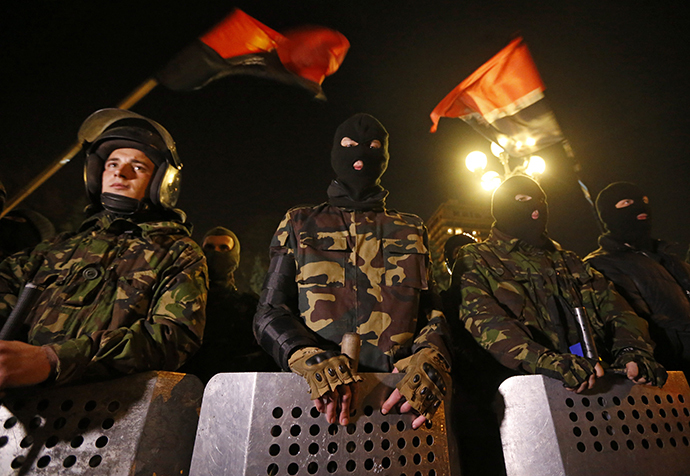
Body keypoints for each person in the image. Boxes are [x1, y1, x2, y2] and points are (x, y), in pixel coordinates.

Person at [253, 113, 451, 429]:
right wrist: (306, 354)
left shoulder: (411, 229)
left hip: (398, 404)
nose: (360, 155)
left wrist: (433, 358)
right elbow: (269, 312)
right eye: (349, 145)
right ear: (336, 152)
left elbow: (433, 313)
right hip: (315, 403)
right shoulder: (300, 223)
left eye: (373, 147)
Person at [0, 108, 207, 390]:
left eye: (138, 167)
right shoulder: (52, 250)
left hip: (109, 413)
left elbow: (173, 337)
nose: (120, 173)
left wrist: (54, 360)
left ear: (162, 183)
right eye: (112, 164)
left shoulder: (177, 252)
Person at [450, 175, 666, 396]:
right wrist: (545, 361)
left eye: (541, 200)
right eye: (523, 198)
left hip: (598, 386)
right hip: (526, 392)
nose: (536, 207)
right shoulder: (479, 258)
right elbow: (484, 320)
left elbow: (616, 308)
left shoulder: (568, 261)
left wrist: (632, 349)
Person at [585, 182, 690, 375]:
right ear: (608, 213)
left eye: (644, 201)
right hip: (670, 373)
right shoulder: (603, 263)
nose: (640, 208)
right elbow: (634, 321)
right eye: (626, 202)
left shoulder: (670, 259)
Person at [180, 227, 274, 382]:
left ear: (234, 255)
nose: (216, 253)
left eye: (224, 248)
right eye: (210, 248)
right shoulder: (182, 301)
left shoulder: (250, 306)